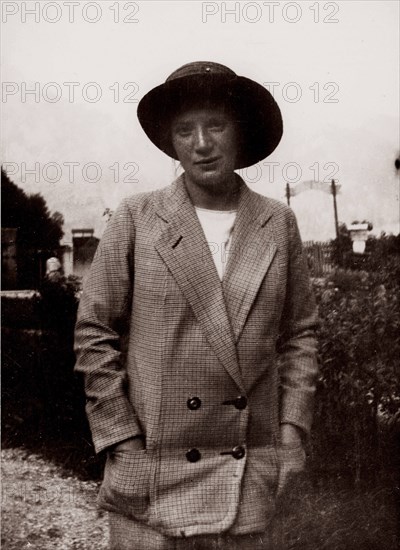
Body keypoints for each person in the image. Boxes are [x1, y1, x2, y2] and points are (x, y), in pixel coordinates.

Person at [74, 61, 318, 549]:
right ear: (172, 142)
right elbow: (93, 331)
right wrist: (121, 437)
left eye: (216, 125)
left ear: (239, 132)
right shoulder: (137, 217)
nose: (201, 143)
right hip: (154, 473)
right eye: (185, 130)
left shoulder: (277, 222)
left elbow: (301, 335)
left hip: (247, 472)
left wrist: (292, 432)